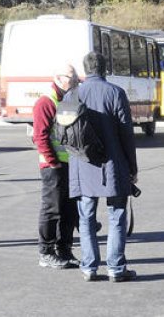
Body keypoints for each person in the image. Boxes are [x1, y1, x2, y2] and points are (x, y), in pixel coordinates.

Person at [68, 51, 138, 282]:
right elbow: (127, 133)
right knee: (117, 215)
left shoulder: (72, 94)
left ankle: (89, 267)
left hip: (83, 163)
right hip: (113, 163)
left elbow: (64, 133)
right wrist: (132, 167)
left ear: (85, 70)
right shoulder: (115, 93)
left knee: (86, 216)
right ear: (104, 68)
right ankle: (116, 268)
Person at [32, 63, 80, 269]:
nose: (76, 79)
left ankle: (65, 249)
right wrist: (53, 161)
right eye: (71, 76)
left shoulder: (69, 99)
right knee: (52, 210)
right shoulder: (46, 101)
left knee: (69, 210)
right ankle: (46, 251)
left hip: (70, 164)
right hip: (54, 167)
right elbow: (40, 136)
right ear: (58, 78)